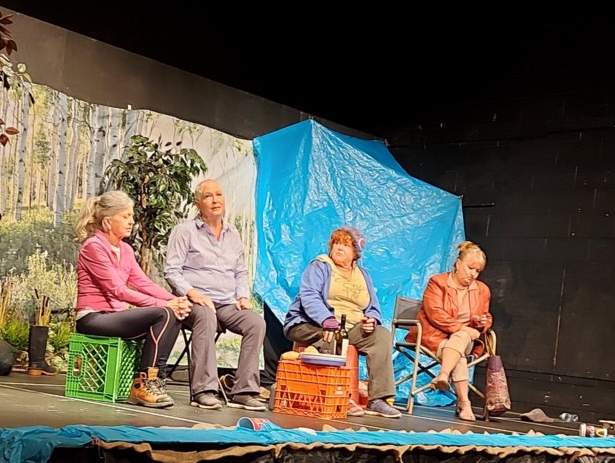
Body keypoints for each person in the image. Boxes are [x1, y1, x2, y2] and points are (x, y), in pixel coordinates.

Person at [73, 190, 191, 409]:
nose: (132, 222)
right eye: (126, 216)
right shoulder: (93, 247)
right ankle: (143, 384)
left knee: (172, 313)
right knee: (163, 312)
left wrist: (178, 300)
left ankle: (153, 380)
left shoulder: (125, 249)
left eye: (132, 216)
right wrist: (165, 304)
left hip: (115, 316)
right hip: (93, 318)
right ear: (108, 221)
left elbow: (143, 283)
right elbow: (118, 290)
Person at [164, 179, 266, 411]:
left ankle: (244, 391)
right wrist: (193, 293)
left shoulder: (233, 234)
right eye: (208, 196)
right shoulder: (184, 231)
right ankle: (204, 390)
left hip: (227, 302)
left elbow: (240, 271)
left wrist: (243, 296)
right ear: (198, 203)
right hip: (193, 302)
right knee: (207, 316)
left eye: (219, 194)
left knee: (256, 323)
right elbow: (171, 271)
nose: (215, 200)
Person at [283, 227, 400, 419]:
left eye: (345, 245)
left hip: (350, 326)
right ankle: (341, 396)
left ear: (356, 253)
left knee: (381, 335)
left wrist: (372, 319)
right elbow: (309, 296)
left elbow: (373, 305)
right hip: (311, 324)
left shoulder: (363, 275)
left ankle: (378, 398)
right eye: (336, 243)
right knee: (335, 336)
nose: (339, 248)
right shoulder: (320, 266)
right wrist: (326, 319)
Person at [413, 240, 493, 422]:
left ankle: (443, 375)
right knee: (459, 354)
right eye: (470, 268)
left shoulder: (482, 290)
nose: (473, 274)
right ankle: (465, 403)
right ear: (458, 264)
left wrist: (481, 323)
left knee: (462, 337)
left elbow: (486, 316)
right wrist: (462, 328)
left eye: (477, 271)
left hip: (467, 341)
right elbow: (435, 313)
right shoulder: (437, 282)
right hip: (435, 337)